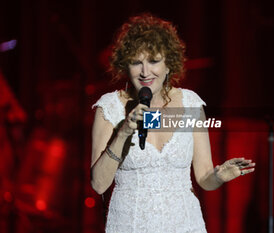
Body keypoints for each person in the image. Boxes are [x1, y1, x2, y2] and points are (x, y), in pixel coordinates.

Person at [91, 13, 255, 233]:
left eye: (153, 61)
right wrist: (123, 133)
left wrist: (219, 175)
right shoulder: (110, 108)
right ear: (125, 65)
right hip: (130, 225)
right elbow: (98, 184)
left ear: (169, 64)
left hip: (185, 225)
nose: (145, 72)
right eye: (136, 62)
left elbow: (204, 177)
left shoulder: (190, 104)